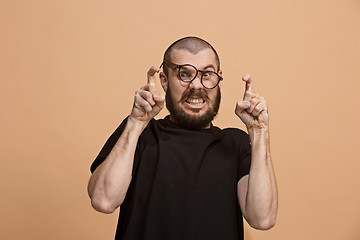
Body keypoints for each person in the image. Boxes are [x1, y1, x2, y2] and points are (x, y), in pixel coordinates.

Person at [87, 36, 278, 240]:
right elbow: (103, 201)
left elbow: (262, 219)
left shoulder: (235, 143)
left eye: (207, 74)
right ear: (164, 81)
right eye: (184, 74)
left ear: (218, 79)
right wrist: (135, 123)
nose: (196, 85)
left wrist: (259, 132)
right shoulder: (139, 132)